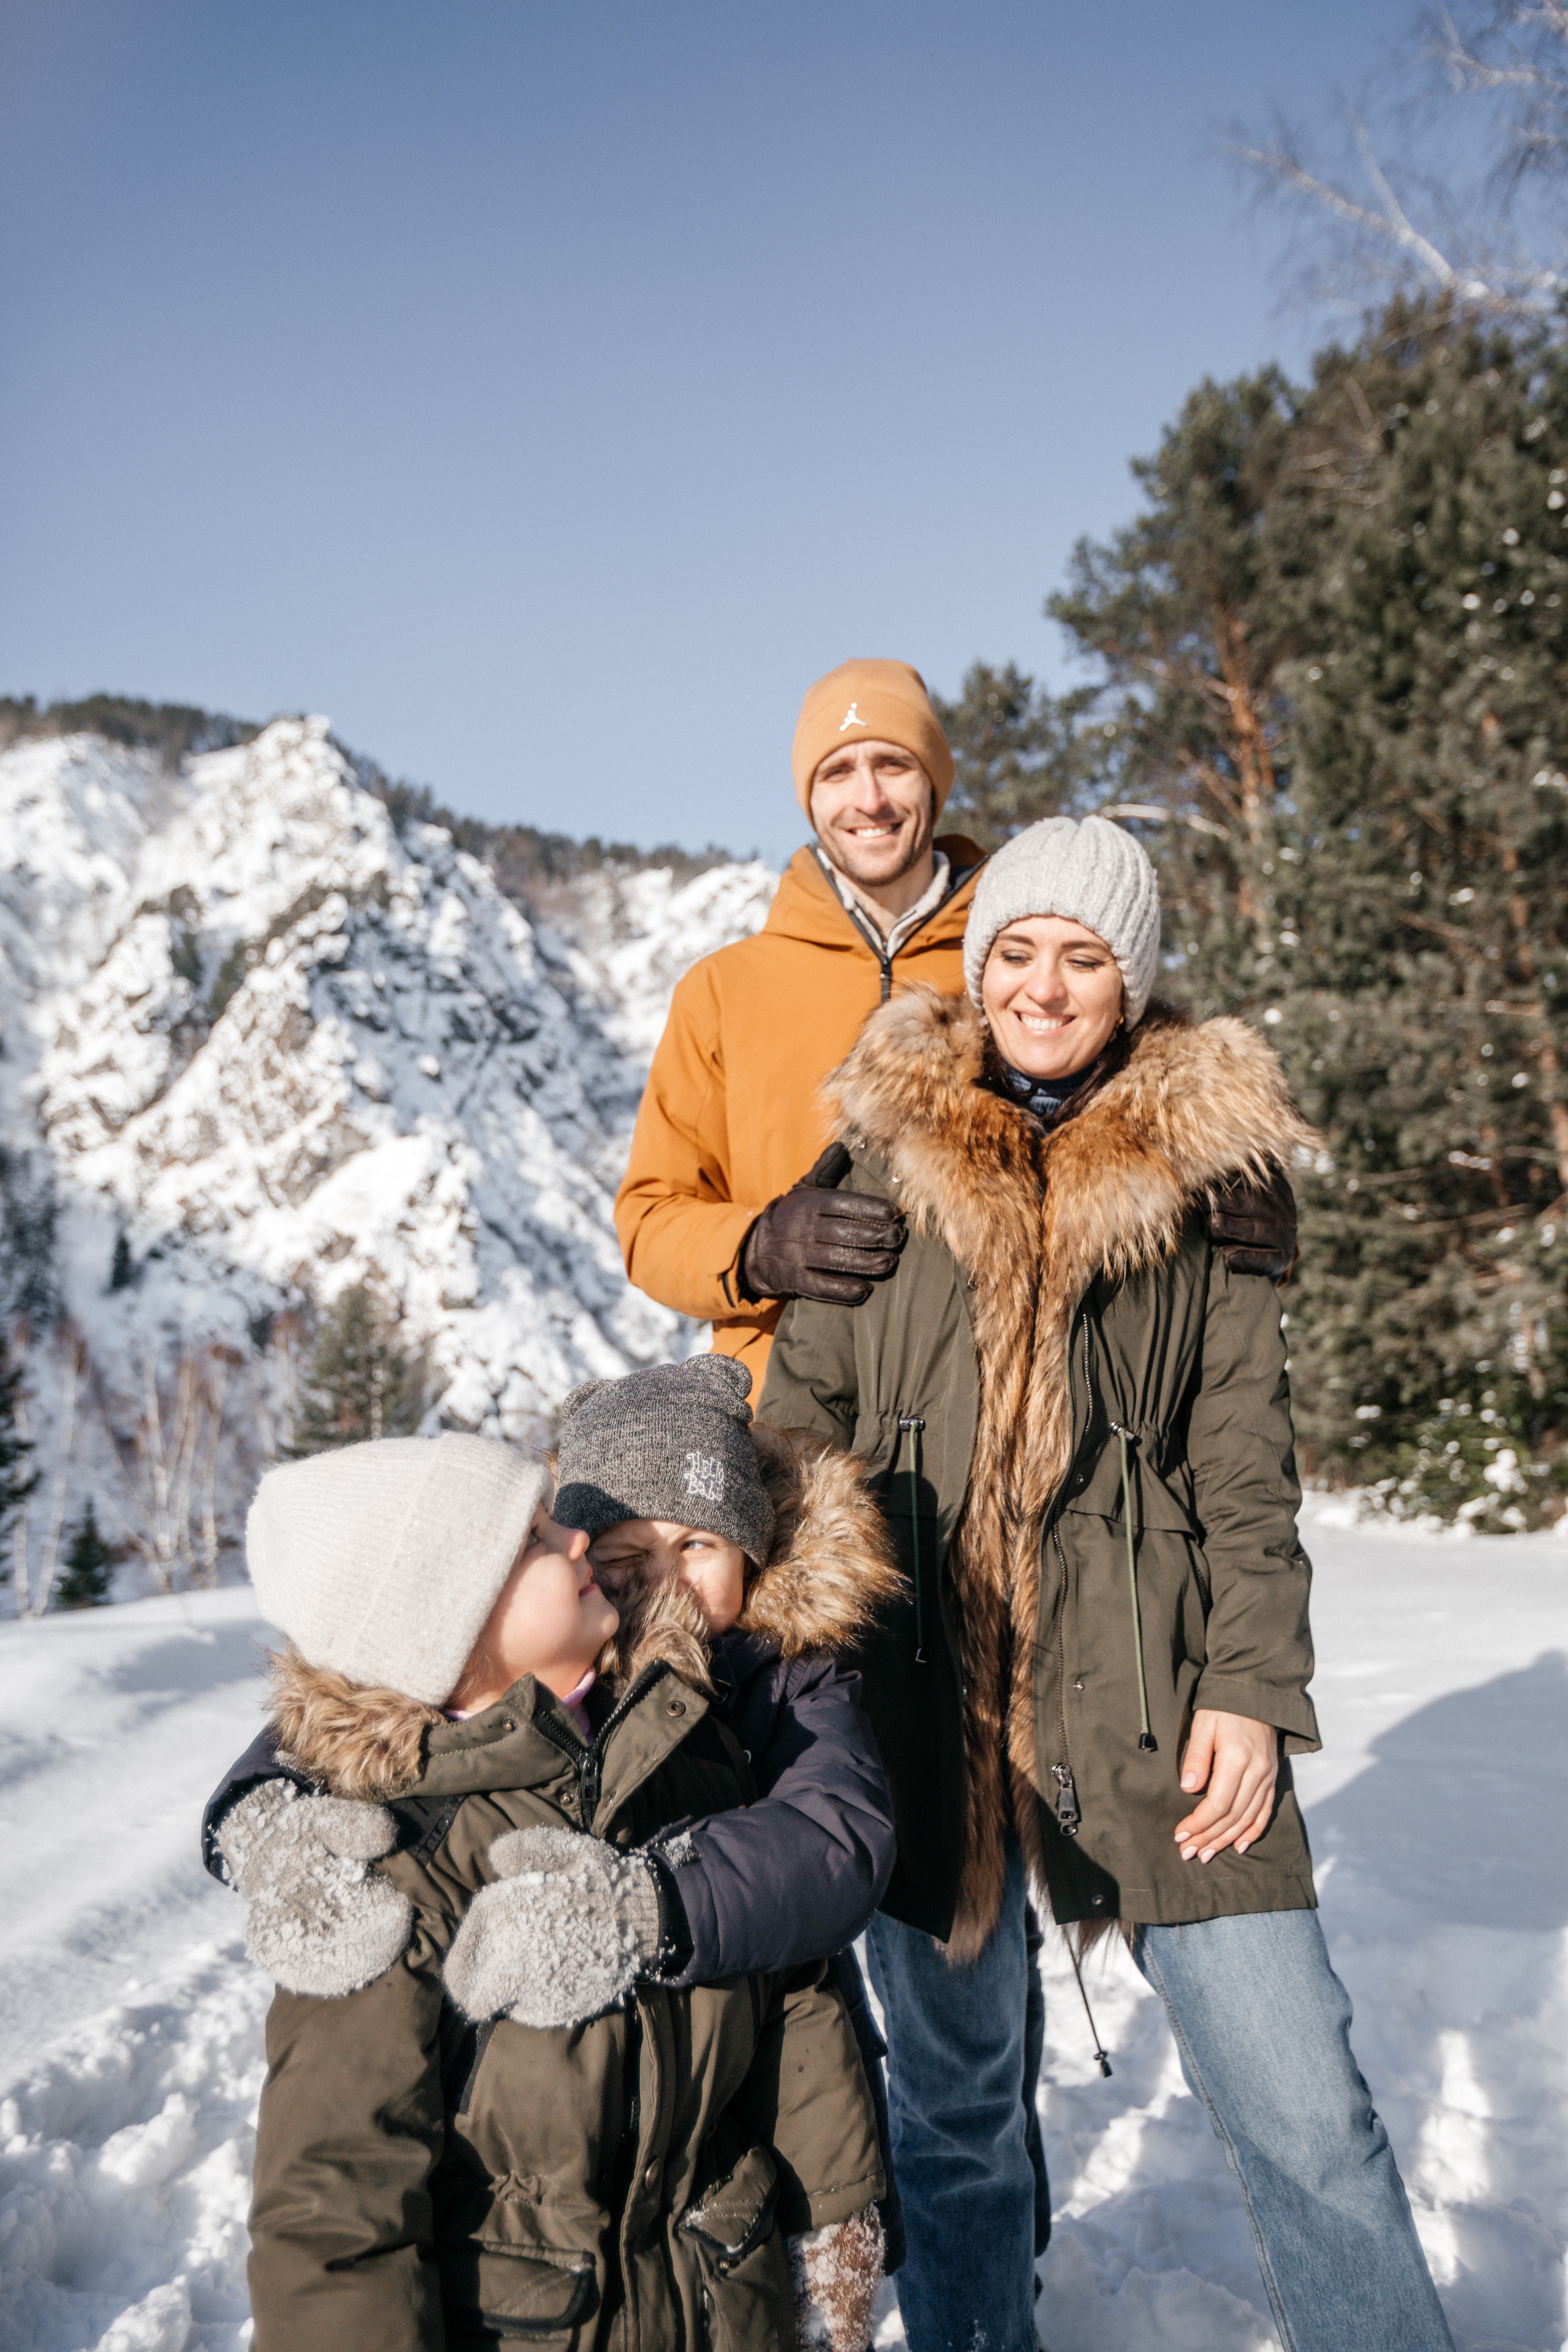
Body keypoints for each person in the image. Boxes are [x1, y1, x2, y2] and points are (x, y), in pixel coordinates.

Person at [758, 814, 1457, 2352]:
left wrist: (1251, 1696)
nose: (1043, 986)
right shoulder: (876, 1157)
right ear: (977, 963)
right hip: (919, 1708)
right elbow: (793, 1446)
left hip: (1155, 1700)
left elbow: (1245, 1478)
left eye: (1083, 958)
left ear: (1130, 985)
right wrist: (805, 1693)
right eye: (1015, 950)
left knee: (1302, 2104)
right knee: (954, 2123)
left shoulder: (1211, 1183)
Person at [232, 1419, 891, 2352]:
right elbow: (333, 2208)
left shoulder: (678, 1742)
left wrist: (833, 2233)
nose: (577, 1538)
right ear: (449, 1623)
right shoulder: (383, 1874)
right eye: (533, 1542)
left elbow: (795, 2010)